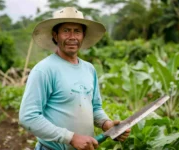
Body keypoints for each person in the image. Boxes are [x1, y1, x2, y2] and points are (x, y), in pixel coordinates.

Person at [19, 7, 131, 150]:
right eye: (66, 31)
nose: (72, 37)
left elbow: (95, 107)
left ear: (83, 35)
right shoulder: (44, 70)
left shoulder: (89, 69)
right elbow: (28, 117)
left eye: (77, 31)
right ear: (55, 35)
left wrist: (107, 124)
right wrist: (70, 138)